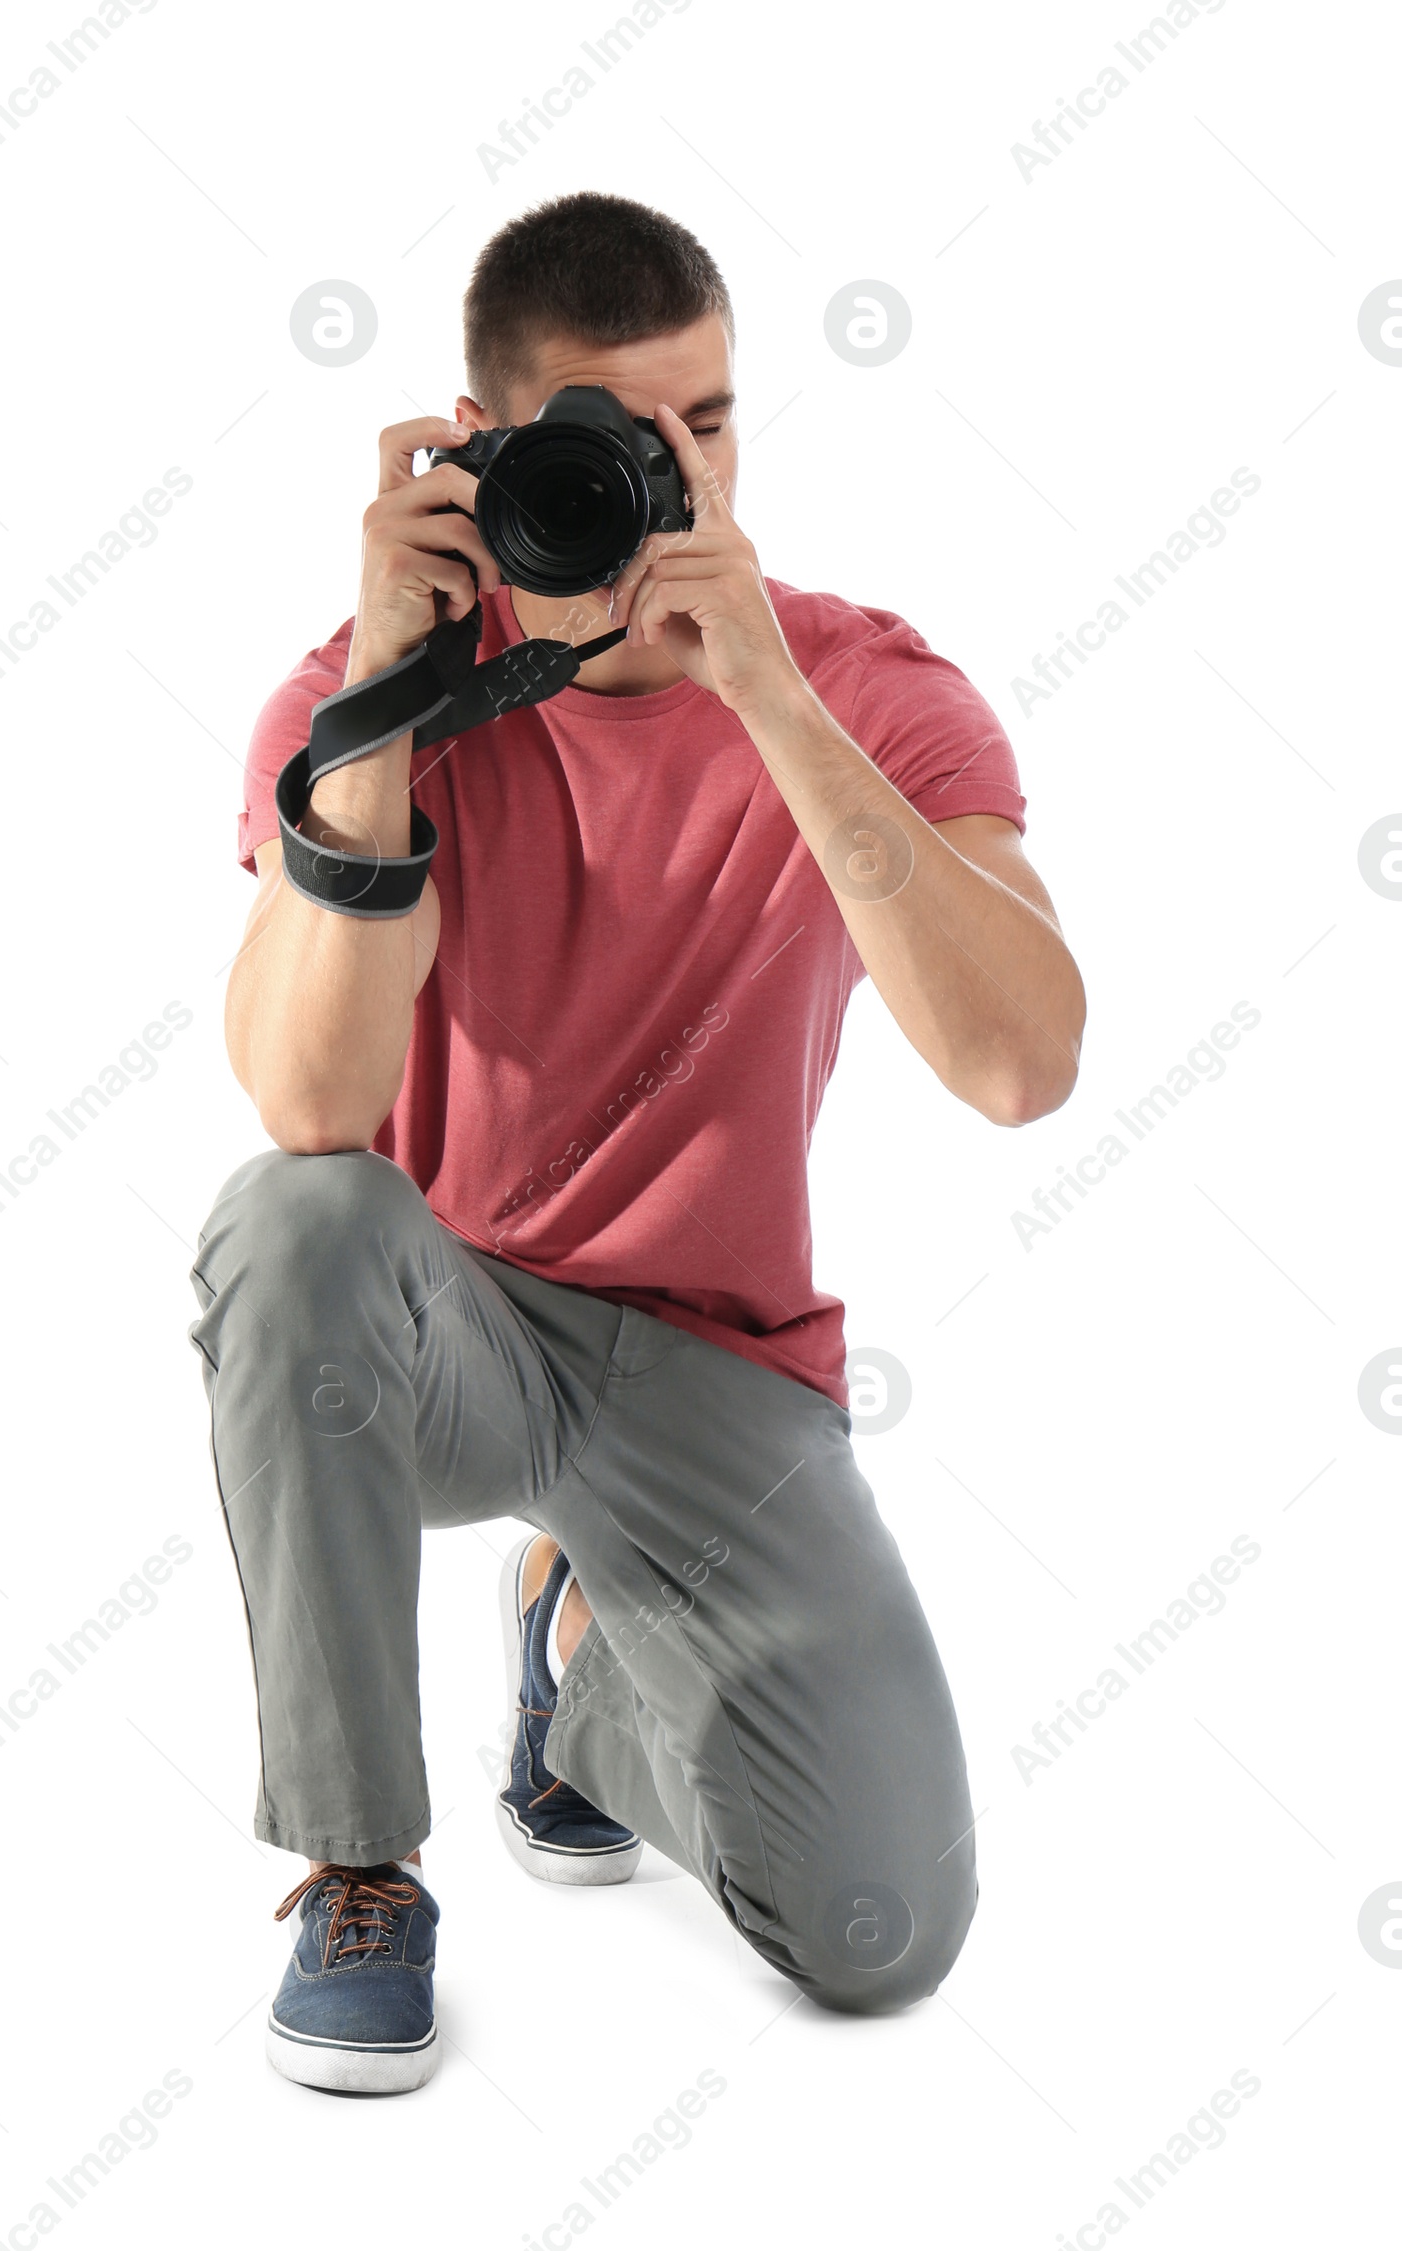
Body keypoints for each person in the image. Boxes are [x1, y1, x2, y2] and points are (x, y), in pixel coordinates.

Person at [189, 190, 1086, 2095]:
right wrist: (382, 700)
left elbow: (1022, 1068)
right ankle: (364, 1866)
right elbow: (310, 1116)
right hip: (452, 1338)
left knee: (881, 1937)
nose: (670, 483)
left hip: (716, 1368)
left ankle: (582, 1685)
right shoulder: (369, 695)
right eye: (614, 439)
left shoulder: (862, 688)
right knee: (289, 1223)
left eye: (712, 428)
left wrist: (766, 696)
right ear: (492, 448)